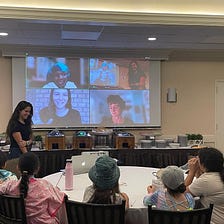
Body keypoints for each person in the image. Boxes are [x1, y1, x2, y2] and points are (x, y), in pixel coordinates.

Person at [0, 152, 67, 223]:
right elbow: (60, 199)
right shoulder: (44, 185)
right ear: (37, 169)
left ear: (18, 168)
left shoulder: (10, 185)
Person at [185, 147, 224, 224]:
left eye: (198, 161)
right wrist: (198, 173)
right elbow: (204, 188)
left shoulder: (207, 180)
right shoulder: (218, 174)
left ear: (203, 164)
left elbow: (181, 195)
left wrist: (192, 172)